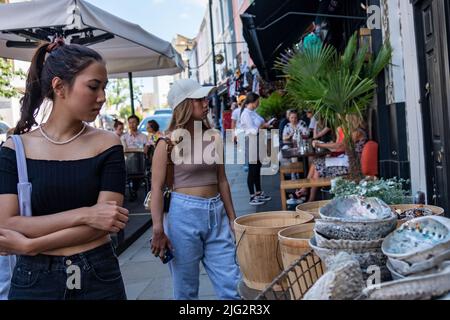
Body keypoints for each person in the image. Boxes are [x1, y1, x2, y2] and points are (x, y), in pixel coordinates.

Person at [0, 40, 129, 300]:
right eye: (93, 86)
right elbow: (7, 223)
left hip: (97, 273)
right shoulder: (16, 148)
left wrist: (32, 243)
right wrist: (85, 214)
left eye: (104, 87)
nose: (102, 97)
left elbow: (105, 222)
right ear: (59, 86)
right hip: (34, 278)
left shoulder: (107, 144)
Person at [150, 79, 241, 300]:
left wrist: (233, 219)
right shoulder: (167, 143)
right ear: (183, 105)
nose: (206, 102)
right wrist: (158, 229)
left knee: (233, 284)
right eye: (199, 98)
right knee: (186, 290)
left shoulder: (214, 136)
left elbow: (222, 180)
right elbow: (156, 187)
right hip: (183, 215)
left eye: (205, 97)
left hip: (216, 212)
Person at [296, 116, 368, 202]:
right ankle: (308, 195)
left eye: (347, 119)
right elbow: (340, 146)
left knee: (317, 164)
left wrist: (320, 145)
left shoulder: (357, 132)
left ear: (353, 120)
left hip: (351, 165)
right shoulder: (355, 132)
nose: (345, 121)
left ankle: (309, 197)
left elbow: (340, 146)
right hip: (347, 160)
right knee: (316, 163)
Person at [239, 92, 274, 206]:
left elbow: (260, 123)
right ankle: (252, 195)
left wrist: (266, 124)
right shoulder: (246, 114)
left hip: (258, 140)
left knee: (257, 167)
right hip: (252, 141)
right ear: (253, 102)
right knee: (252, 169)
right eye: (258, 101)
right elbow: (253, 130)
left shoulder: (252, 112)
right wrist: (264, 126)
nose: (259, 103)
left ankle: (258, 192)